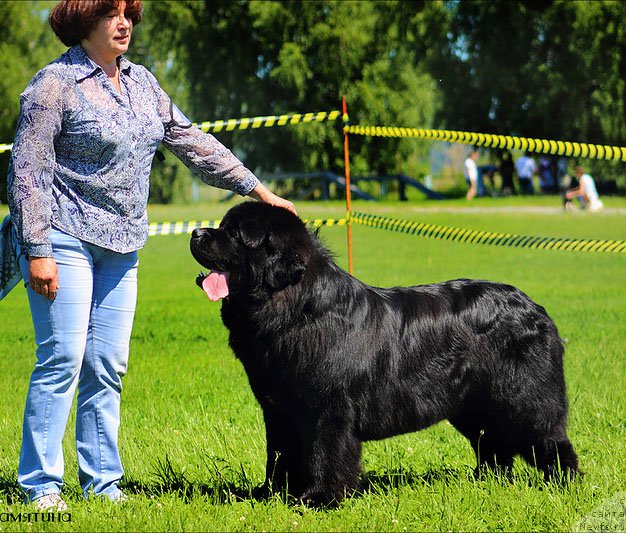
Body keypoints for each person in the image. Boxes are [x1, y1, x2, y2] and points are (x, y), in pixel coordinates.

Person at [6, 0, 295, 512]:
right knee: (63, 360)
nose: (124, 24)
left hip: (123, 246)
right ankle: (41, 485)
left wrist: (257, 191)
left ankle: (102, 482)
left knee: (107, 363)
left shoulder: (143, 84)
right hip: (63, 236)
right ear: (83, 21)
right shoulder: (52, 86)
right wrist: (37, 249)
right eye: (111, 14)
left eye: (129, 14)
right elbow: (27, 172)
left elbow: (192, 142)